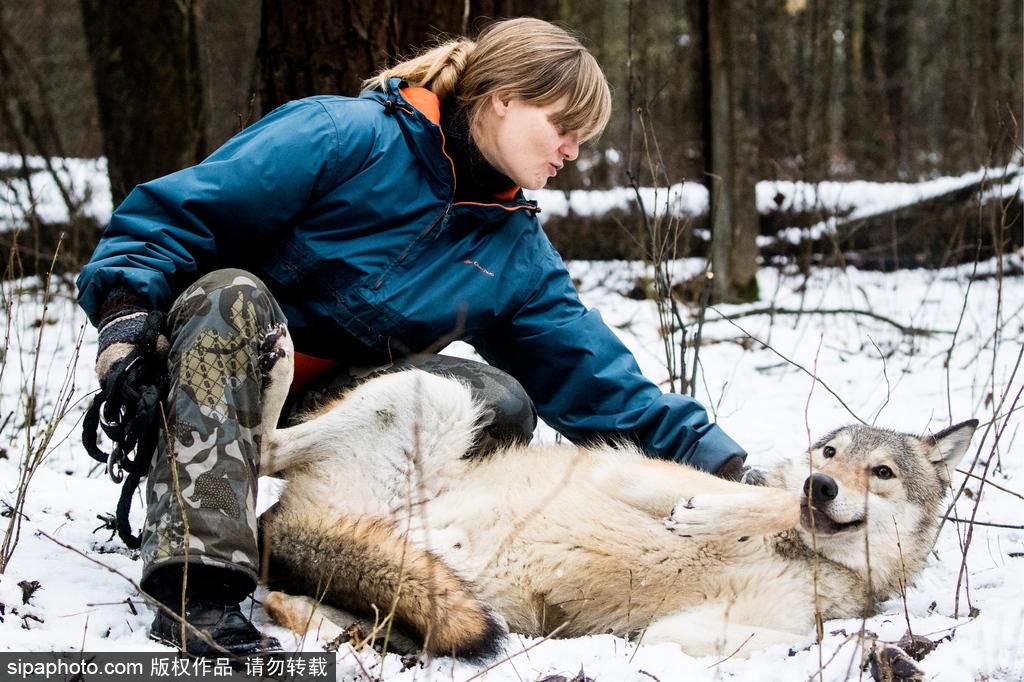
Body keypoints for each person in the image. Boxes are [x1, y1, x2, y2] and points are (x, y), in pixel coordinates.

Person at [77, 17, 750, 656]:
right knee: (232, 294)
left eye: (583, 136)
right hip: (213, 375)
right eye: (564, 127)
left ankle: (333, 544)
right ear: (506, 100)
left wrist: (730, 474)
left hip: (329, 419)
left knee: (497, 399)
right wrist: (126, 314)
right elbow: (172, 213)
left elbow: (598, 382)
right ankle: (198, 584)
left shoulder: (514, 251)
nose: (573, 151)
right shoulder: (344, 135)